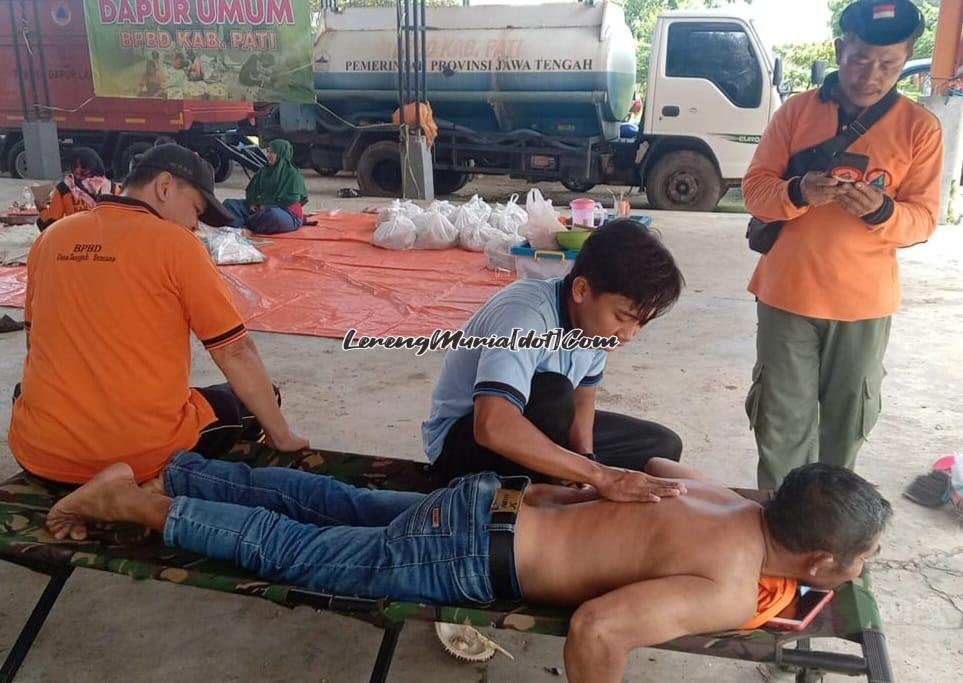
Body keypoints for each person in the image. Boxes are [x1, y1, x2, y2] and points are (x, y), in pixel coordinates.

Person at [45, 455, 890, 683]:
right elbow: (597, 631)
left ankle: (186, 473)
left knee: (333, 503)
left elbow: (662, 471)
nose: (857, 573)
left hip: (497, 502)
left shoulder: (730, 502)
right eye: (858, 562)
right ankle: (131, 504)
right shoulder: (731, 584)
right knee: (294, 547)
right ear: (815, 561)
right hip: (463, 555)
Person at [9, 144, 308, 486]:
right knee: (259, 398)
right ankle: (148, 483)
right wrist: (281, 434)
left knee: (31, 391)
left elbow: (36, 345)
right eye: (196, 210)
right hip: (137, 457)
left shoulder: (51, 238)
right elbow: (234, 351)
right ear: (165, 187)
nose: (194, 226)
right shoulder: (177, 245)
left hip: (40, 453)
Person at [742, 0, 942, 489]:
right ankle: (781, 538)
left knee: (845, 430)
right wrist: (797, 191)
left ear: (907, 58)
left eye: (889, 64)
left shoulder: (920, 129)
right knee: (780, 427)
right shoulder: (796, 112)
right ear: (839, 49)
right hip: (786, 295)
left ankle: (829, 540)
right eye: (859, 59)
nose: (871, 76)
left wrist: (881, 211)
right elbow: (755, 190)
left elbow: (924, 219)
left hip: (863, 307)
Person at [423, 220, 686, 503]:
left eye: (640, 324)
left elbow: (583, 397)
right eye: (623, 318)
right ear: (582, 290)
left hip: (542, 422)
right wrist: (599, 476)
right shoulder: (525, 317)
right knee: (554, 393)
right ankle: (537, 501)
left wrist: (586, 460)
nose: (629, 335)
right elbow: (492, 425)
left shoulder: (593, 327)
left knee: (661, 445)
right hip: (464, 445)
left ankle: (561, 479)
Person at [223, 139, 307, 234]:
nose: (268, 156)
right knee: (229, 204)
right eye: (268, 151)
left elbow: (293, 198)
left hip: (287, 213)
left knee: (273, 216)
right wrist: (253, 203)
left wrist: (268, 205)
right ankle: (249, 223)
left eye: (273, 152)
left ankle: (244, 223)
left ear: (281, 154)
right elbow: (251, 190)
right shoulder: (264, 171)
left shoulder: (292, 174)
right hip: (259, 210)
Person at [36, 148, 121, 231]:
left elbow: (50, 223)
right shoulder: (113, 189)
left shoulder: (64, 189)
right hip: (105, 240)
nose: (77, 172)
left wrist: (42, 210)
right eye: (75, 167)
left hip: (76, 241)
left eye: (83, 167)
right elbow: (123, 220)